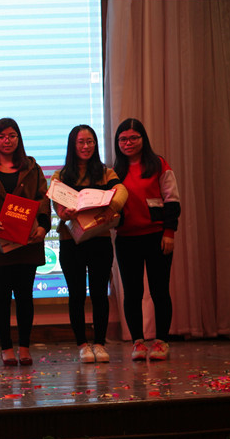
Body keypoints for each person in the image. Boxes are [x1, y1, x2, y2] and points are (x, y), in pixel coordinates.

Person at [0, 118, 51, 366]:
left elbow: (43, 199)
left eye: (12, 135)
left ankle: (24, 347)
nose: (7, 141)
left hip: (27, 242)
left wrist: (43, 225)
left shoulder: (32, 168)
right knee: (1, 297)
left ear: (19, 138)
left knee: (25, 296)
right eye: (1, 136)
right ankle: (6, 349)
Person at [52, 125, 127, 363]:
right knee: (76, 294)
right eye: (81, 142)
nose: (86, 146)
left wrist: (112, 208)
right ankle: (82, 345)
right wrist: (63, 213)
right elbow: (57, 204)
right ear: (72, 145)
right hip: (70, 242)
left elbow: (122, 191)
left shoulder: (106, 173)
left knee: (99, 294)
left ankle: (100, 343)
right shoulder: (60, 176)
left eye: (90, 142)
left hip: (99, 240)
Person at [113, 118, 181, 361]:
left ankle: (161, 341)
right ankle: (138, 343)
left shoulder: (158, 164)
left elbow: (172, 200)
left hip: (157, 237)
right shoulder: (114, 171)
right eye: (123, 139)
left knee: (159, 290)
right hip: (126, 239)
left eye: (133, 138)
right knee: (132, 293)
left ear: (143, 139)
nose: (128, 143)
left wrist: (169, 232)